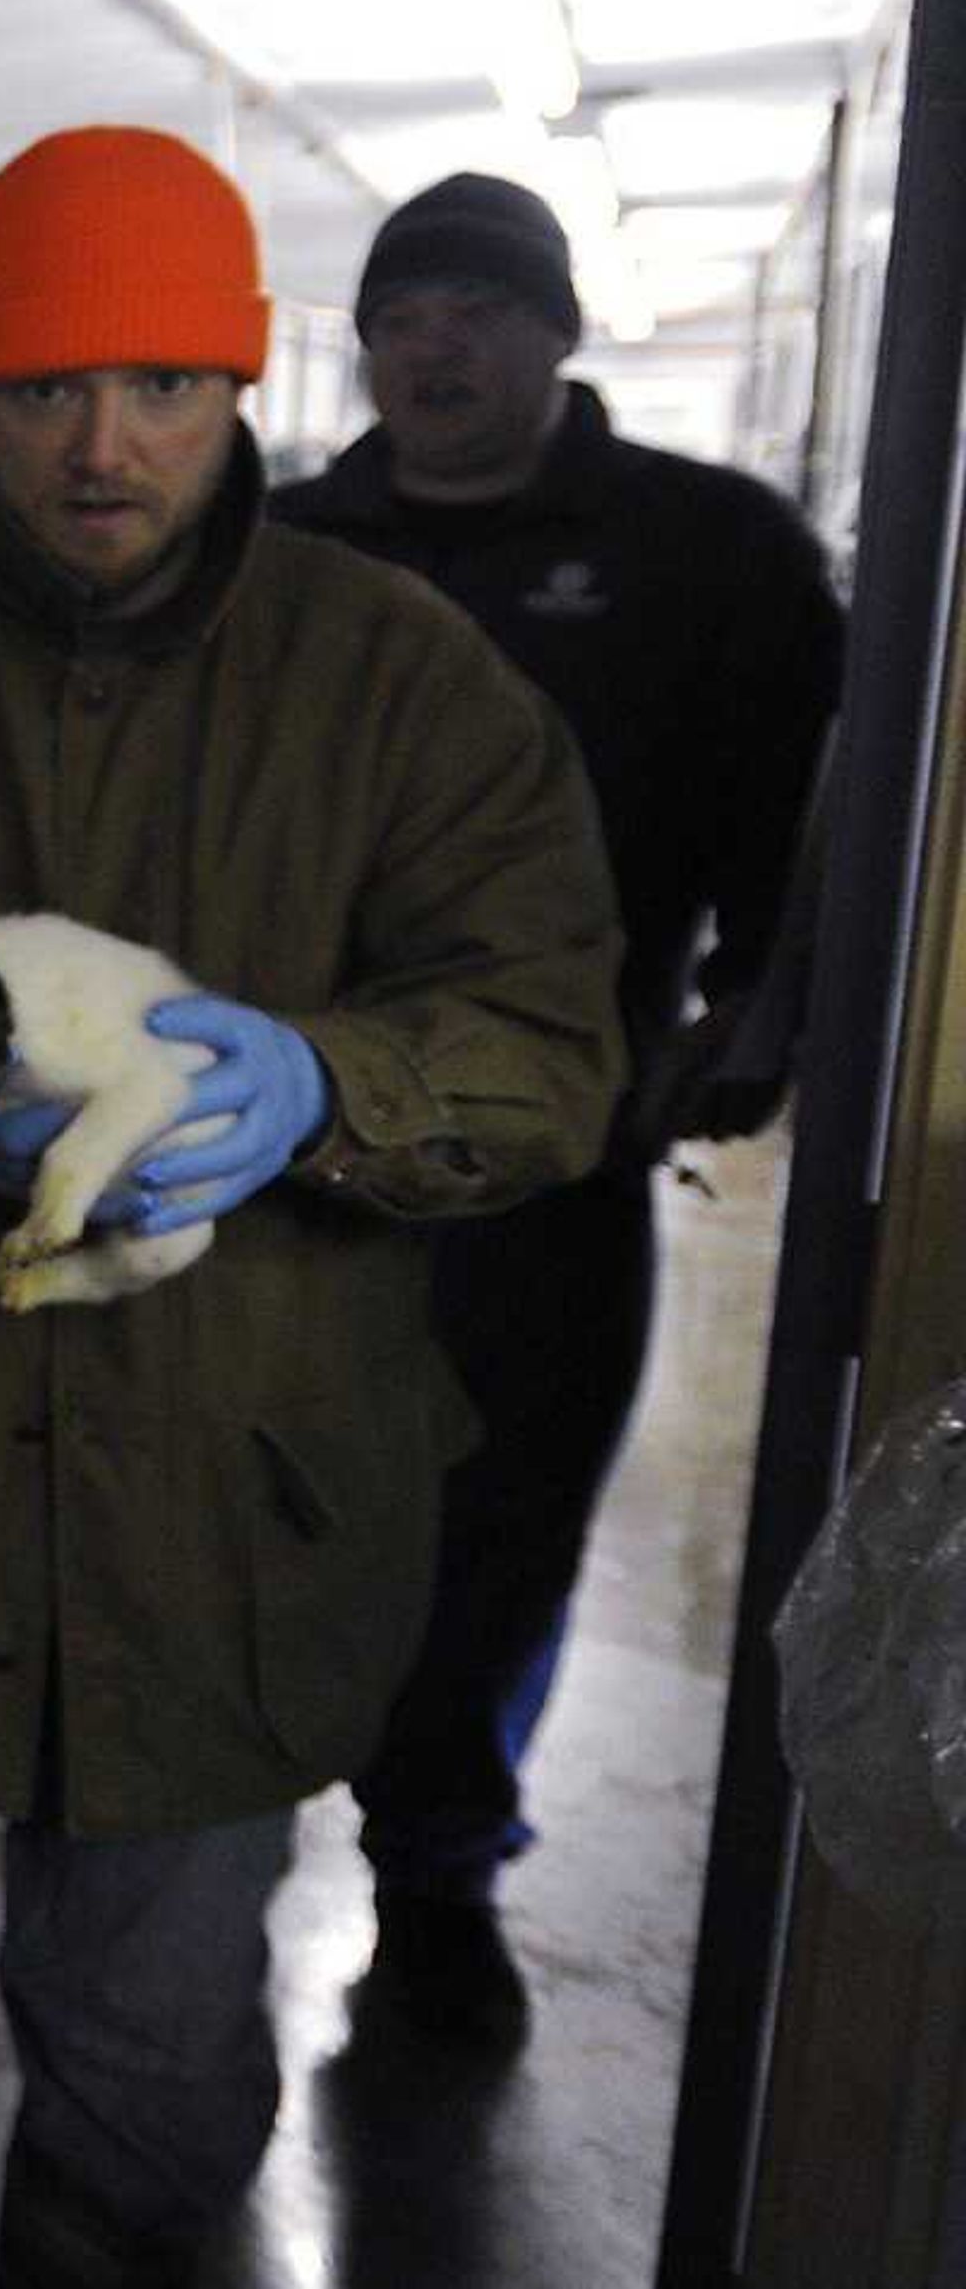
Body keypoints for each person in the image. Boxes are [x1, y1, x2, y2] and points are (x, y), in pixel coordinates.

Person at [0, 125, 624, 2289]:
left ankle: (86, 2235)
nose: (101, 445)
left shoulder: (404, 676)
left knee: (156, 2037)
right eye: (45, 387)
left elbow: (547, 1042)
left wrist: (335, 1085)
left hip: (230, 1490)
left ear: (244, 381)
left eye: (163, 379)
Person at [274, 171, 844, 2047]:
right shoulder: (276, 546)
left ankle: (435, 1867)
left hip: (551, 1158)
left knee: (504, 1520)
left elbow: (801, 839)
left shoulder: (710, 551)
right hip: (280, 1141)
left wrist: (755, 1018)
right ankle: (208, 1802)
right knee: (246, 1489)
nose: (435, 344)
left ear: (562, 330)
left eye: (479, 309)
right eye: (404, 312)